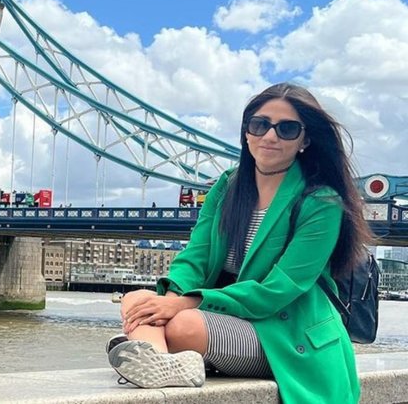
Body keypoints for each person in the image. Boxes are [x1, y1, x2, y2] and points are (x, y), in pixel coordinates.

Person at [106, 83, 373, 403]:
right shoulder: (227, 186)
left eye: (287, 129)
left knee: (182, 324)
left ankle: (149, 349)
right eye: (260, 125)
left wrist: (181, 304)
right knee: (137, 298)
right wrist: (173, 294)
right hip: (231, 320)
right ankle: (160, 361)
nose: (270, 136)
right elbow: (196, 257)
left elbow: (276, 291)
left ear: (305, 140)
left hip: (285, 331)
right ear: (247, 132)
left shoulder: (321, 202)